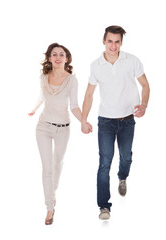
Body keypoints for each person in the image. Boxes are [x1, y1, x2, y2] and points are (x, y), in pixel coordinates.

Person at [81, 26, 150, 220]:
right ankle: (104, 207)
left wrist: (144, 104)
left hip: (128, 119)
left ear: (121, 42)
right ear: (104, 41)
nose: (113, 45)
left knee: (126, 157)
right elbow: (88, 94)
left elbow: (145, 85)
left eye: (117, 41)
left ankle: (122, 177)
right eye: (110, 41)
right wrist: (84, 119)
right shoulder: (96, 65)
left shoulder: (132, 60)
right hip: (105, 121)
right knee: (104, 162)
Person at [28, 43, 82, 225]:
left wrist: (83, 121)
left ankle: (53, 191)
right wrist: (33, 109)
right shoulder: (43, 77)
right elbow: (42, 97)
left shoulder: (72, 80)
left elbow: (74, 105)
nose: (58, 57)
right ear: (49, 58)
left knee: (57, 164)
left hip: (63, 128)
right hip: (43, 126)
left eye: (61, 54)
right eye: (54, 54)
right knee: (47, 167)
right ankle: (49, 207)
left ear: (66, 59)